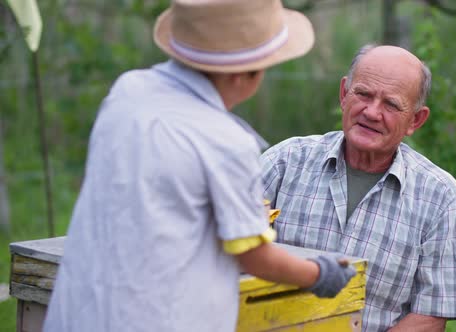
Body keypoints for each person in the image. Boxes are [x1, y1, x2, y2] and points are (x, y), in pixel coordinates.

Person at [43, 1, 356, 331]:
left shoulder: (127, 91)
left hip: (80, 312)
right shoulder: (225, 142)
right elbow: (252, 255)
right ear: (243, 74)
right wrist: (319, 274)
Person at [260, 44, 456, 332]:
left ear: (415, 120)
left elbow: (431, 315)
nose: (372, 112)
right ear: (344, 94)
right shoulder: (284, 162)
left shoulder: (440, 196)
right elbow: (223, 252)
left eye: (391, 104)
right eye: (363, 94)